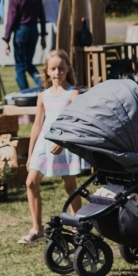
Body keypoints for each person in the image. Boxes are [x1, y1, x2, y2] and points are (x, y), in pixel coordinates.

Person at [18, 50, 85, 245]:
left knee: (70, 186)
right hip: (43, 144)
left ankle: (76, 225)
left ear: (68, 69)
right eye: (53, 69)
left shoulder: (72, 93)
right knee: (30, 182)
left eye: (61, 68)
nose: (57, 72)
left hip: (63, 143)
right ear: (47, 71)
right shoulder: (43, 96)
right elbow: (37, 125)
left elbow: (76, 122)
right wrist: (30, 154)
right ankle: (37, 229)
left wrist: (63, 142)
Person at [2, 0, 47, 92]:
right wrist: (43, 35)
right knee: (28, 63)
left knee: (20, 66)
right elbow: (42, 15)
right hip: (33, 30)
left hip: (21, 31)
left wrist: (6, 39)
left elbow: (11, 18)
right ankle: (42, 84)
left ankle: (25, 93)